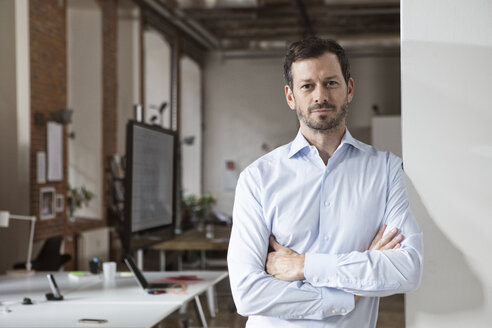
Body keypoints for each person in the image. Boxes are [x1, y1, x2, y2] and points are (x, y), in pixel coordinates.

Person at [227, 37, 423, 328]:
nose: (320, 96)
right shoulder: (257, 179)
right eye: (307, 86)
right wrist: (350, 294)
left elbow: (407, 270)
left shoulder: (386, 170)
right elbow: (247, 294)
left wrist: (304, 265)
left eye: (331, 83)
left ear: (350, 89)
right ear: (290, 96)